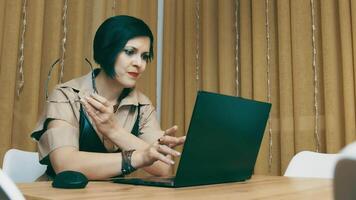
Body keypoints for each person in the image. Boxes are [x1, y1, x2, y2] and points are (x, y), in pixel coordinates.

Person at [31, 15, 185, 180]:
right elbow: (65, 164)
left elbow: (162, 167)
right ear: (107, 50)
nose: (139, 63)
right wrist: (137, 157)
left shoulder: (142, 105)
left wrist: (114, 131)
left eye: (144, 56)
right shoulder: (67, 95)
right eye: (130, 52)